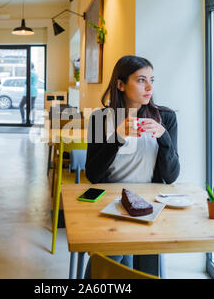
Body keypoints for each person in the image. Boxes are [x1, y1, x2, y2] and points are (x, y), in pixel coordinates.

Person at [84, 55, 180, 278]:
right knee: (111, 260)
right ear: (120, 84)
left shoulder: (165, 118)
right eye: (141, 80)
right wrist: (117, 137)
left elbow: (171, 175)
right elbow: (93, 175)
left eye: (152, 80)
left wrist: (163, 137)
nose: (149, 87)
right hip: (111, 203)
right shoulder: (100, 119)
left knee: (136, 263)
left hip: (151, 203)